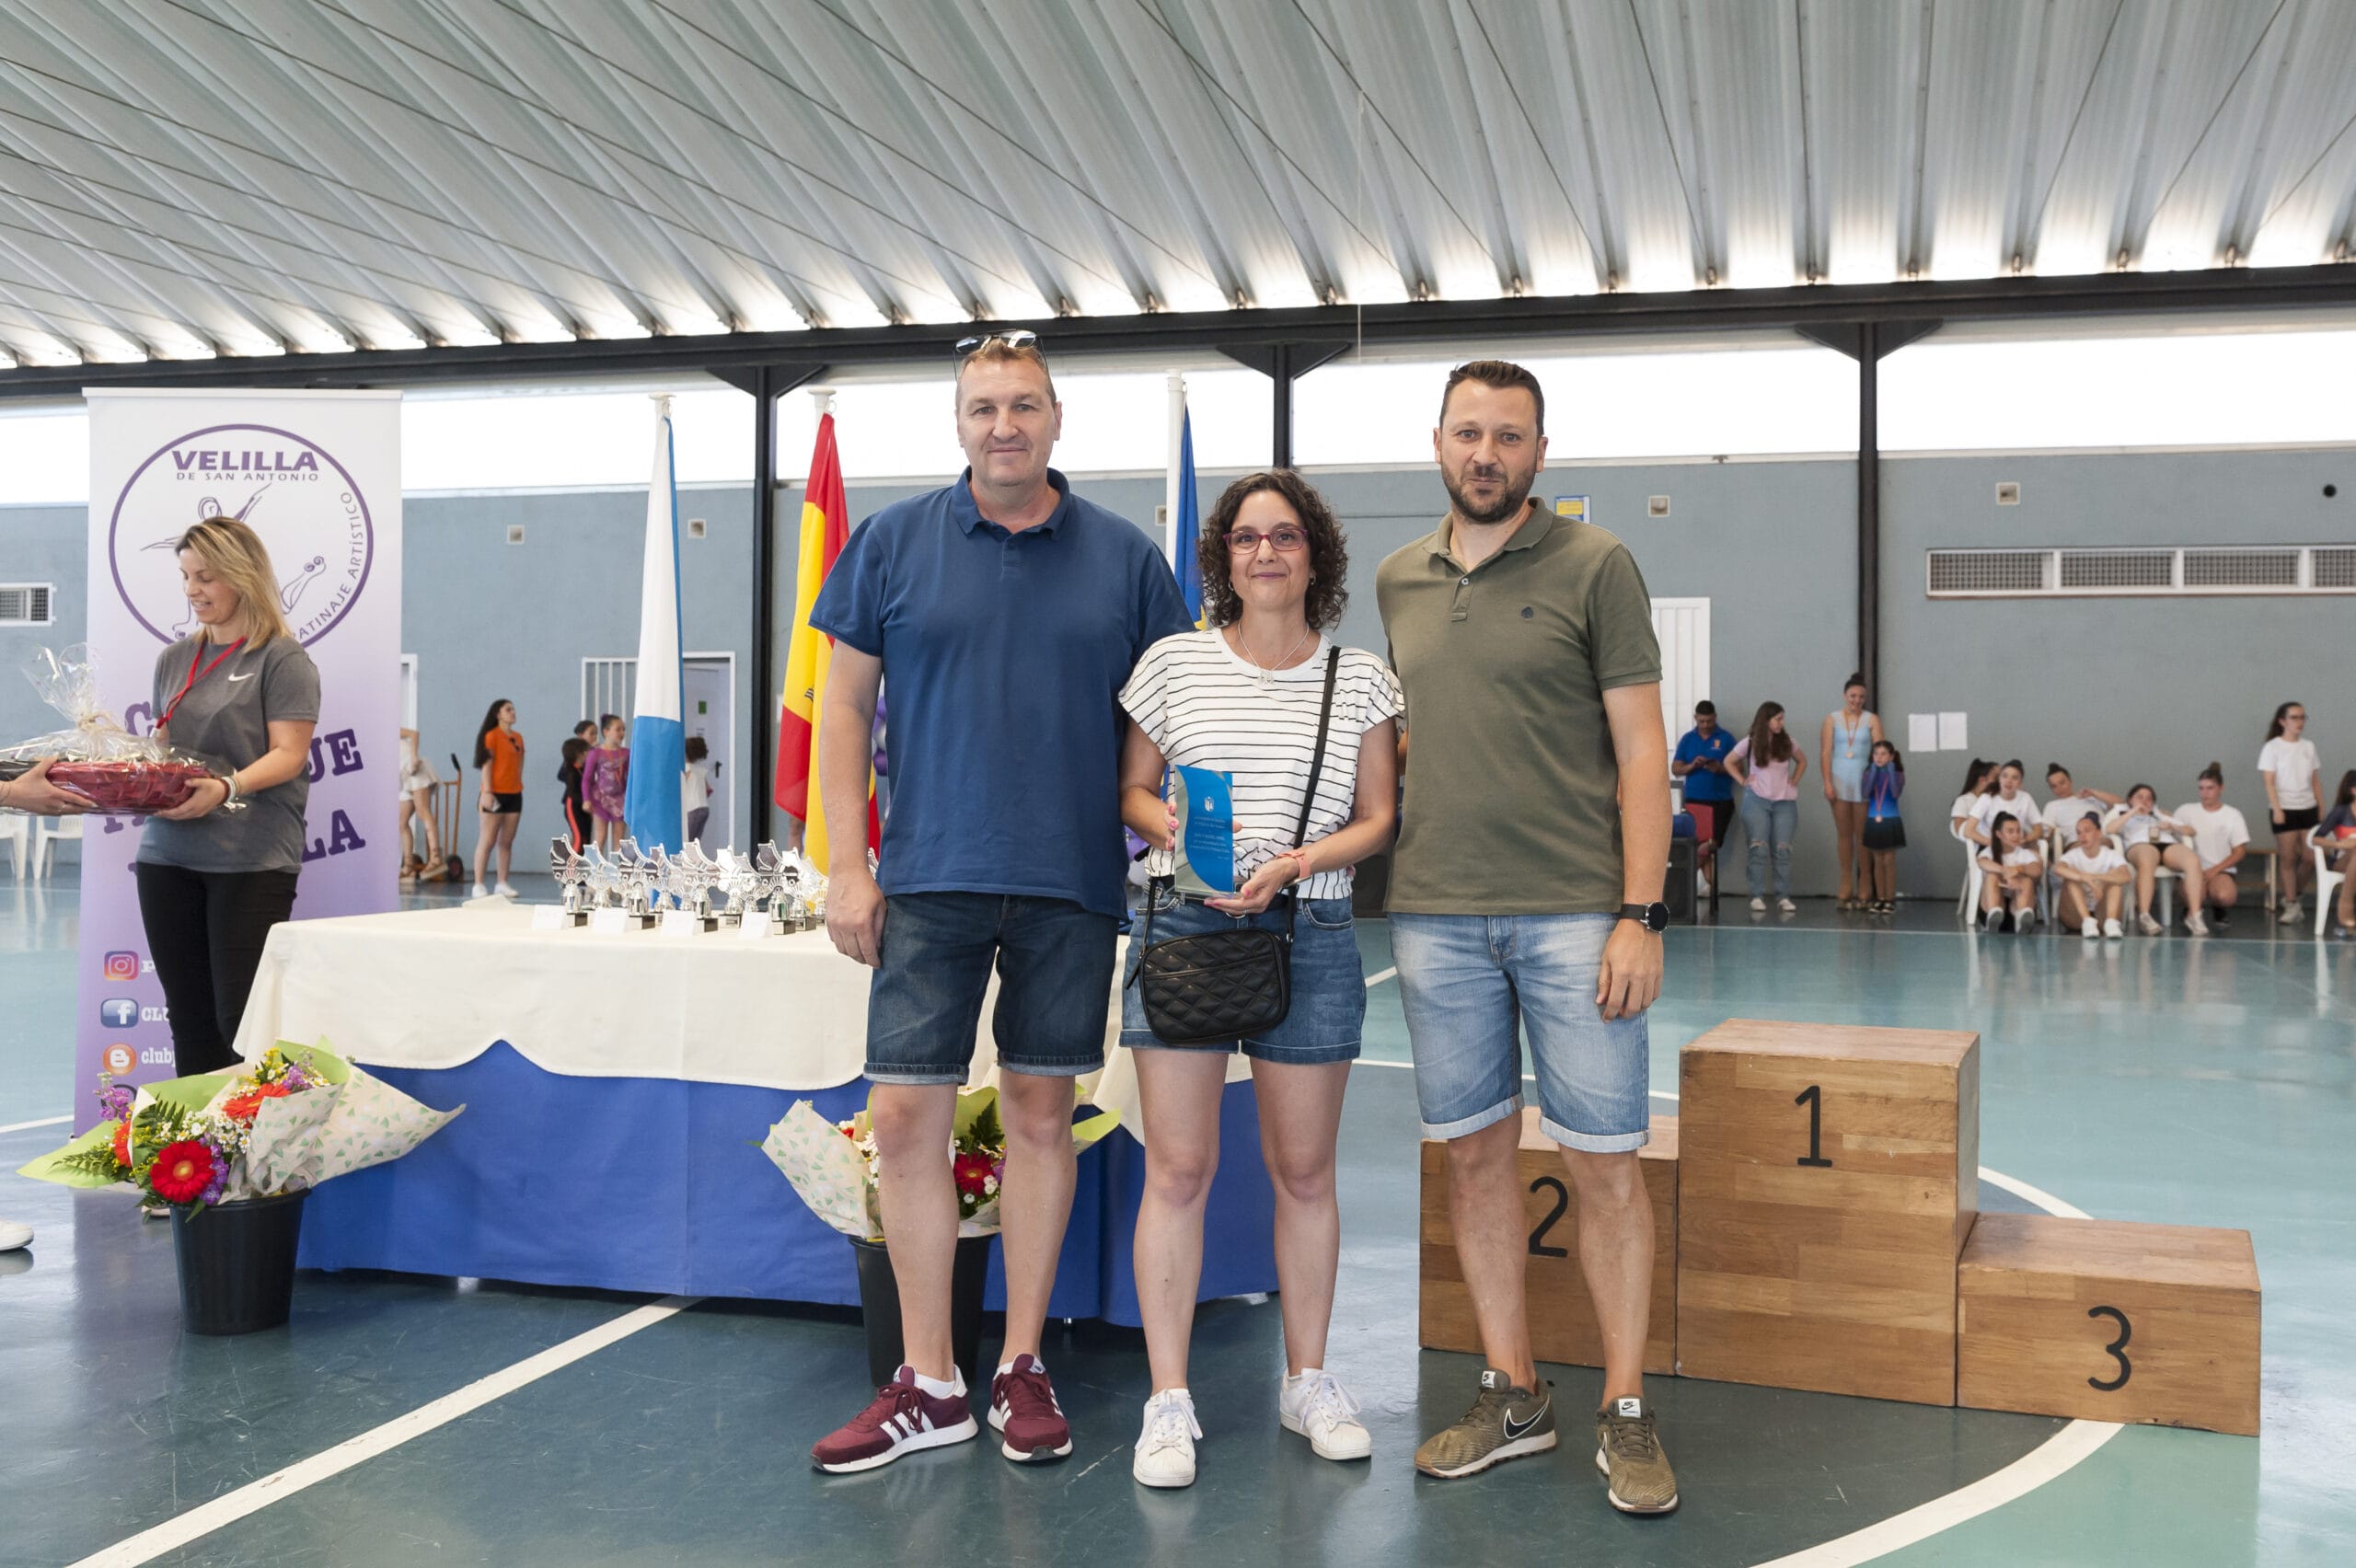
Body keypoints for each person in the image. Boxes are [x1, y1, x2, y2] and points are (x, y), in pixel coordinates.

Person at [807, 331, 1193, 1475]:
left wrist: (1157, 824)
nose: (1003, 426)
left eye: (1023, 405)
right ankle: (930, 1380)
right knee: (902, 1119)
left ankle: (1021, 1363)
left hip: (1070, 881)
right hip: (926, 878)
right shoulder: (890, 543)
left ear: (1056, 419)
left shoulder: (1126, 558)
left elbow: (1166, 712)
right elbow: (842, 710)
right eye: (983, 408)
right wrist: (846, 865)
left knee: (1038, 1116)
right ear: (959, 423)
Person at [1377, 360, 1678, 1515]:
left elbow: (1641, 751)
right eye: (1468, 432)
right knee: (1473, 1157)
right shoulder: (1400, 580)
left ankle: (1626, 1407)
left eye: (1508, 435)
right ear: (1437, 444)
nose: (1486, 453)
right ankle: (1513, 1393)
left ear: (1539, 453)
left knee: (1603, 1165)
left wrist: (1639, 914)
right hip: (1435, 915)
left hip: (1575, 916)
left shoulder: (1598, 565)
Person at [1114, 470, 1400, 1488]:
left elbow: (1379, 818)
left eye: (1285, 536)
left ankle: (1307, 1380)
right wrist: (1173, 829)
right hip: (1183, 927)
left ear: (1315, 555)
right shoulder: (1172, 664)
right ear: (1222, 557)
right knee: (1178, 1170)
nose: (1265, 552)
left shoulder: (1360, 678)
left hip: (1310, 932)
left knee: (1305, 1172)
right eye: (1246, 537)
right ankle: (1167, 1400)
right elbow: (1132, 789)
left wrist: (1297, 863)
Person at [128, 517, 319, 1076]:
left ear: (243, 575)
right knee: (188, 1020)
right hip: (167, 855)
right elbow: (168, 745)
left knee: (241, 1022)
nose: (192, 590)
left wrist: (227, 788)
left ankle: (250, 1131)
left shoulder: (282, 659)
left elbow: (290, 753)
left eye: (206, 577)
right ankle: (200, 1134)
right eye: (186, 577)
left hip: (250, 859)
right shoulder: (173, 659)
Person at [1725, 701, 1805, 915]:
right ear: (1766, 720)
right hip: (1757, 801)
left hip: (1784, 802)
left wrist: (1794, 780)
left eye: (1782, 719)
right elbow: (1728, 761)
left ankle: (1783, 896)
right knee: (1758, 849)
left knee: (1783, 849)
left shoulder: (1787, 741)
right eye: (1778, 719)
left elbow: (1802, 761)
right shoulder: (1750, 742)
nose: (1781, 723)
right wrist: (1742, 780)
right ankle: (1756, 896)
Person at [1819, 674, 1883, 910]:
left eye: (1861, 697)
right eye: (1853, 696)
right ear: (1845, 696)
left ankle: (1864, 880)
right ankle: (1846, 881)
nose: (1857, 700)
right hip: (1838, 779)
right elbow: (1825, 752)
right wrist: (1827, 782)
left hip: (1863, 781)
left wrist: (1878, 781)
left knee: (1862, 835)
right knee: (1844, 834)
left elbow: (1881, 751)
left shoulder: (1871, 719)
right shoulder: (1832, 719)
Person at [2107, 784, 2203, 936]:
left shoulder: (2159, 814)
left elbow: (2191, 831)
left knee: (2192, 860)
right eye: (2139, 797)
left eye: (2149, 798)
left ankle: (2194, 915)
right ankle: (2144, 915)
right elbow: (2109, 829)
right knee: (2147, 859)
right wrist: (2132, 811)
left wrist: (2173, 827)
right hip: (2140, 845)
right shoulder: (2122, 814)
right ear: (2130, 799)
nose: (2144, 801)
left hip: (2166, 844)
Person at [2258, 701, 2322, 926]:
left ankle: (2295, 895)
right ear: (2282, 721)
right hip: (2284, 808)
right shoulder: (2272, 748)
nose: (2300, 722)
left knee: (2310, 857)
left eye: (2302, 717)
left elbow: (2315, 780)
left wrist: (2321, 807)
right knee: (2288, 857)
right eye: (2294, 717)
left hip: (2308, 807)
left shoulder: (2309, 747)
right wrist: (2277, 808)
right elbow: (2269, 781)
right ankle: (2292, 903)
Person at [2175, 762, 2250, 934]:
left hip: (2220, 870)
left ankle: (2219, 907)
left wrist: (2214, 871)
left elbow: (2239, 851)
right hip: (2191, 870)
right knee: (2194, 894)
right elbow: (2173, 836)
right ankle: (2191, 910)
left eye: (2210, 788)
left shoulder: (2232, 814)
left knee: (2225, 896)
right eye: (2201, 788)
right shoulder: (2185, 811)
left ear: (2221, 789)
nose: (2205, 793)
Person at [1671, 700, 1735, 883]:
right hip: (1695, 800)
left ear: (1715, 717)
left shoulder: (1726, 739)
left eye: (1709, 721)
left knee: (1711, 844)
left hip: (1721, 801)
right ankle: (1708, 890)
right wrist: (1692, 765)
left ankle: (1681, 882)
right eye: (1702, 721)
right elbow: (1676, 769)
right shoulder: (1688, 739)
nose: (1705, 725)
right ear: (1695, 719)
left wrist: (1719, 768)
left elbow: (1739, 769)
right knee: (1698, 844)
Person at [469, 699, 524, 899]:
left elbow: (520, 763)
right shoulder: (491, 736)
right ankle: (478, 884)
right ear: (498, 714)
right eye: (508, 709)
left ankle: (502, 882)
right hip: (494, 793)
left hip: (514, 793)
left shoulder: (518, 738)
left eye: (513, 709)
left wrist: (517, 783)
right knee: (488, 839)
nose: (513, 712)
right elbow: (487, 765)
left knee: (506, 841)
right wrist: (487, 791)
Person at [2053, 813, 2131, 939]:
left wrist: (2098, 878)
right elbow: (2058, 869)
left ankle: (2111, 923)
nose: (2082, 836)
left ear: (2099, 833)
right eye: (2079, 833)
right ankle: (2088, 921)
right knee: (2071, 879)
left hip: (2102, 914)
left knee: (2115, 881)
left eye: (2087, 831)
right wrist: (2084, 878)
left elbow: (2126, 876)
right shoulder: (2072, 855)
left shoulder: (2111, 854)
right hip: (2076, 917)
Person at [1860, 740, 1905, 914]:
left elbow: (1895, 792)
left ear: (1891, 756)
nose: (1879, 757)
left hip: (1891, 819)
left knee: (1889, 860)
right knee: (1877, 861)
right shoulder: (1868, 772)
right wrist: (1873, 770)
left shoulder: (1898, 773)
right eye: (1876, 754)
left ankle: (1890, 899)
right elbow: (1865, 793)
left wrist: (1891, 770)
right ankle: (1880, 898)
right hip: (1873, 819)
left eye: (1883, 754)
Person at [1977, 813, 2040, 932]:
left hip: (2014, 910)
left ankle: (2022, 918)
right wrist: (2006, 872)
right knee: (1992, 876)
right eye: (2010, 831)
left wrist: (2018, 870)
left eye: (2018, 831)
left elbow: (2037, 870)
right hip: (1992, 907)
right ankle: (1993, 915)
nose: (2016, 835)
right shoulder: (1989, 852)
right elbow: (1981, 862)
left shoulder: (2024, 854)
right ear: (1999, 834)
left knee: (2027, 881)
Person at [2312, 770, 2356, 938]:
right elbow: (2316, 838)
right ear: (2353, 790)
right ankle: (2345, 908)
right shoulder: (2341, 812)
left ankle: (2347, 920)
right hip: (2342, 861)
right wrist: (2339, 844)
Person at [397, 727, 444, 881]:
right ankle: (408, 866)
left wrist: (414, 757)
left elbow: (413, 734)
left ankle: (436, 858)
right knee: (401, 822)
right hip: (404, 778)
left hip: (414, 769)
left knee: (423, 811)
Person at [582, 714, 629, 854]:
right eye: (618, 729)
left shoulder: (627, 753)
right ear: (606, 731)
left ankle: (618, 866)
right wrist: (586, 799)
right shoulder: (596, 753)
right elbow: (587, 779)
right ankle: (594, 867)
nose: (622, 733)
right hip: (600, 799)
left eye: (623, 729)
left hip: (620, 800)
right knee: (600, 837)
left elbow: (630, 778)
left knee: (619, 839)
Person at [2040, 766, 2119, 844]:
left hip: (2102, 839)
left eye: (2062, 783)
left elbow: (2120, 804)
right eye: (2054, 786)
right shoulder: (2052, 806)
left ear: (2070, 781)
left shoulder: (2090, 798)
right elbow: (2046, 834)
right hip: (2077, 842)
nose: (2059, 788)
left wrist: (2094, 793)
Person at [1947, 758, 1996, 845]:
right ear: (1983, 780)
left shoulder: (1993, 800)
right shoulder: (1963, 801)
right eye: (1995, 778)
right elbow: (1961, 831)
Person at [556, 736, 591, 853]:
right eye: (587, 751)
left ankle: (579, 862)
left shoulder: (583, 769)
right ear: (579, 754)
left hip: (582, 808)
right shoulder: (571, 771)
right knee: (579, 838)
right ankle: (571, 864)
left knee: (586, 838)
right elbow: (573, 793)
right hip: (573, 807)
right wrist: (585, 802)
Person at [682, 735, 713, 847]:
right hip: (704, 809)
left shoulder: (686, 768)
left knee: (687, 842)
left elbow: (681, 785)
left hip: (692, 809)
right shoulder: (699, 770)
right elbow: (708, 790)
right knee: (695, 842)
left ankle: (687, 859)